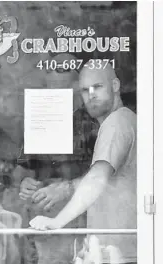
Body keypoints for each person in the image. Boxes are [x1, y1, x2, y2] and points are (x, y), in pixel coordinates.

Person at [28, 63, 137, 264]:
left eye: (98, 87)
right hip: (112, 248)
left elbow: (97, 178)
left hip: (119, 251)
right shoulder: (122, 121)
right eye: (85, 90)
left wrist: (56, 222)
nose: (91, 95)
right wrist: (65, 188)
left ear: (115, 85)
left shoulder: (117, 123)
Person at [19, 53, 98, 264]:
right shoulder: (39, 118)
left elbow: (107, 176)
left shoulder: (94, 122)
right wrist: (24, 182)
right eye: (50, 86)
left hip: (85, 210)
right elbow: (23, 168)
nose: (54, 93)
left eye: (61, 86)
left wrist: (66, 188)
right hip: (44, 211)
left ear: (76, 87)